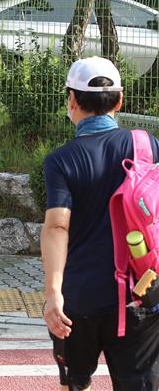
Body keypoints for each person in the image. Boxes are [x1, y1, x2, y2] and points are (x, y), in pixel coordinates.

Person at [41, 56, 159, 390]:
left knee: (75, 382)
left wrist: (53, 294)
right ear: (119, 102)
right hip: (142, 292)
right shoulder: (147, 146)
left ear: (72, 100)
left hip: (79, 299)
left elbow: (57, 228)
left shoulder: (61, 161)